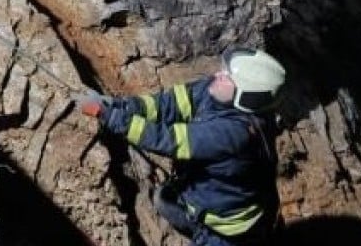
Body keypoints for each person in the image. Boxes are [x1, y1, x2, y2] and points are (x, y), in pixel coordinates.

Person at [79, 47, 287, 245]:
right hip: (217, 200)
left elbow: (168, 139)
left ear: (245, 97)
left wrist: (107, 115)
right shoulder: (217, 90)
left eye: (227, 77)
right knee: (163, 199)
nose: (218, 74)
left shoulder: (235, 133)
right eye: (224, 69)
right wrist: (120, 106)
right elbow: (168, 104)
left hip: (228, 233)